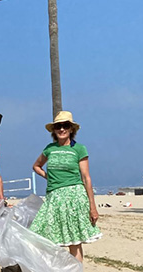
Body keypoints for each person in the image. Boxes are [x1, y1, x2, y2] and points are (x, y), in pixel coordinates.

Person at [30, 110, 101, 262]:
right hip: (53, 198)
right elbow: (36, 166)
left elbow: (86, 178)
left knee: (74, 242)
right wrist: (49, 177)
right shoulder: (50, 149)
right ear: (54, 130)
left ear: (71, 129)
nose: (62, 129)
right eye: (58, 126)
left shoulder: (79, 149)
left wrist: (92, 207)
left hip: (74, 198)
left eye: (65, 126)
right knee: (38, 234)